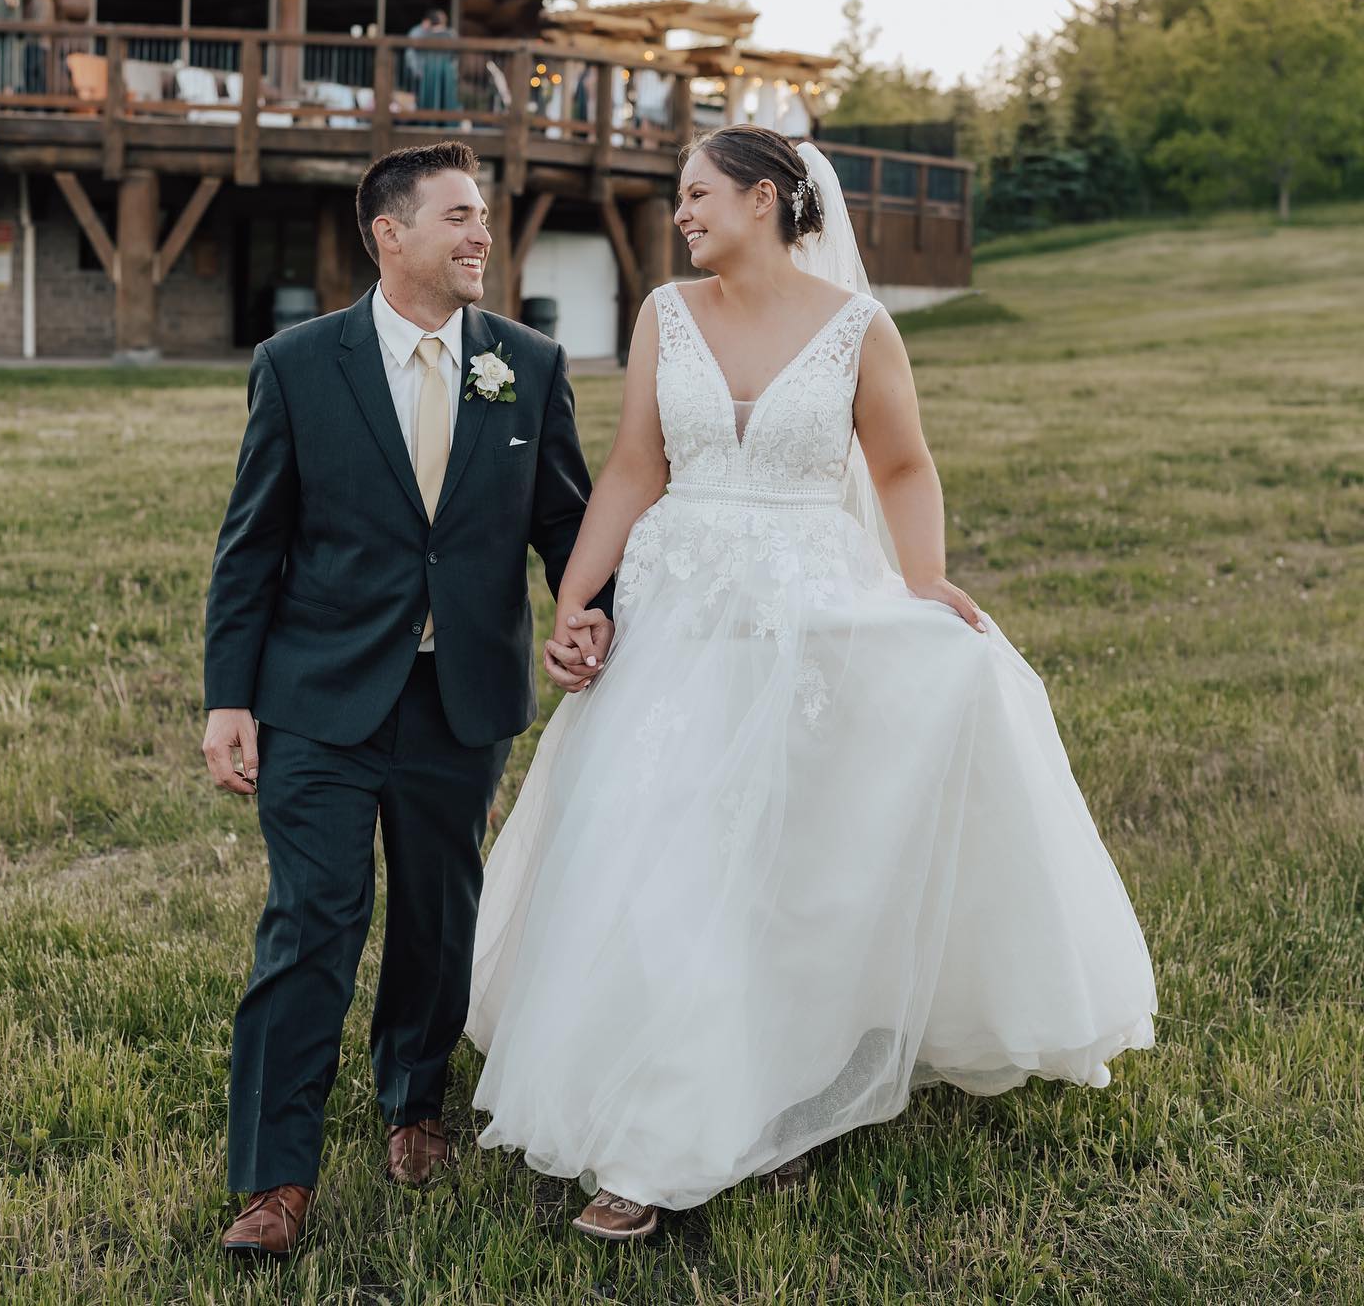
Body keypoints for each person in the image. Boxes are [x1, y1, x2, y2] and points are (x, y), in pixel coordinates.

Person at [467, 125, 1157, 1240]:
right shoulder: (663, 317)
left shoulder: (859, 330)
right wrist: (577, 598)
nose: (681, 213)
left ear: (767, 198)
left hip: (810, 611)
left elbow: (900, 464)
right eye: (679, 198)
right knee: (658, 852)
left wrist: (924, 581)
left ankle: (777, 1092)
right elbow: (638, 463)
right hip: (679, 615)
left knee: (783, 862)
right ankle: (651, 1139)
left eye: (698, 193)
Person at [202, 140, 613, 1261]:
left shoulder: (527, 362)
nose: (484, 236)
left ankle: (414, 1101)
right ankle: (275, 1180)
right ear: (390, 234)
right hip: (318, 700)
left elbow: (564, 521)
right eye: (460, 217)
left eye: (486, 218)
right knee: (312, 925)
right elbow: (254, 545)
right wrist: (227, 697)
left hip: (458, 699)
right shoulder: (297, 364)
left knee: (438, 921)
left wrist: (590, 606)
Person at [22, 0, 53, 94]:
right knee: (34, 74)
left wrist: (25, 27)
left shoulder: (44, 0)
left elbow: (41, 22)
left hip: (39, 42)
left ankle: (37, 106)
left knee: (35, 74)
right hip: (34, 41)